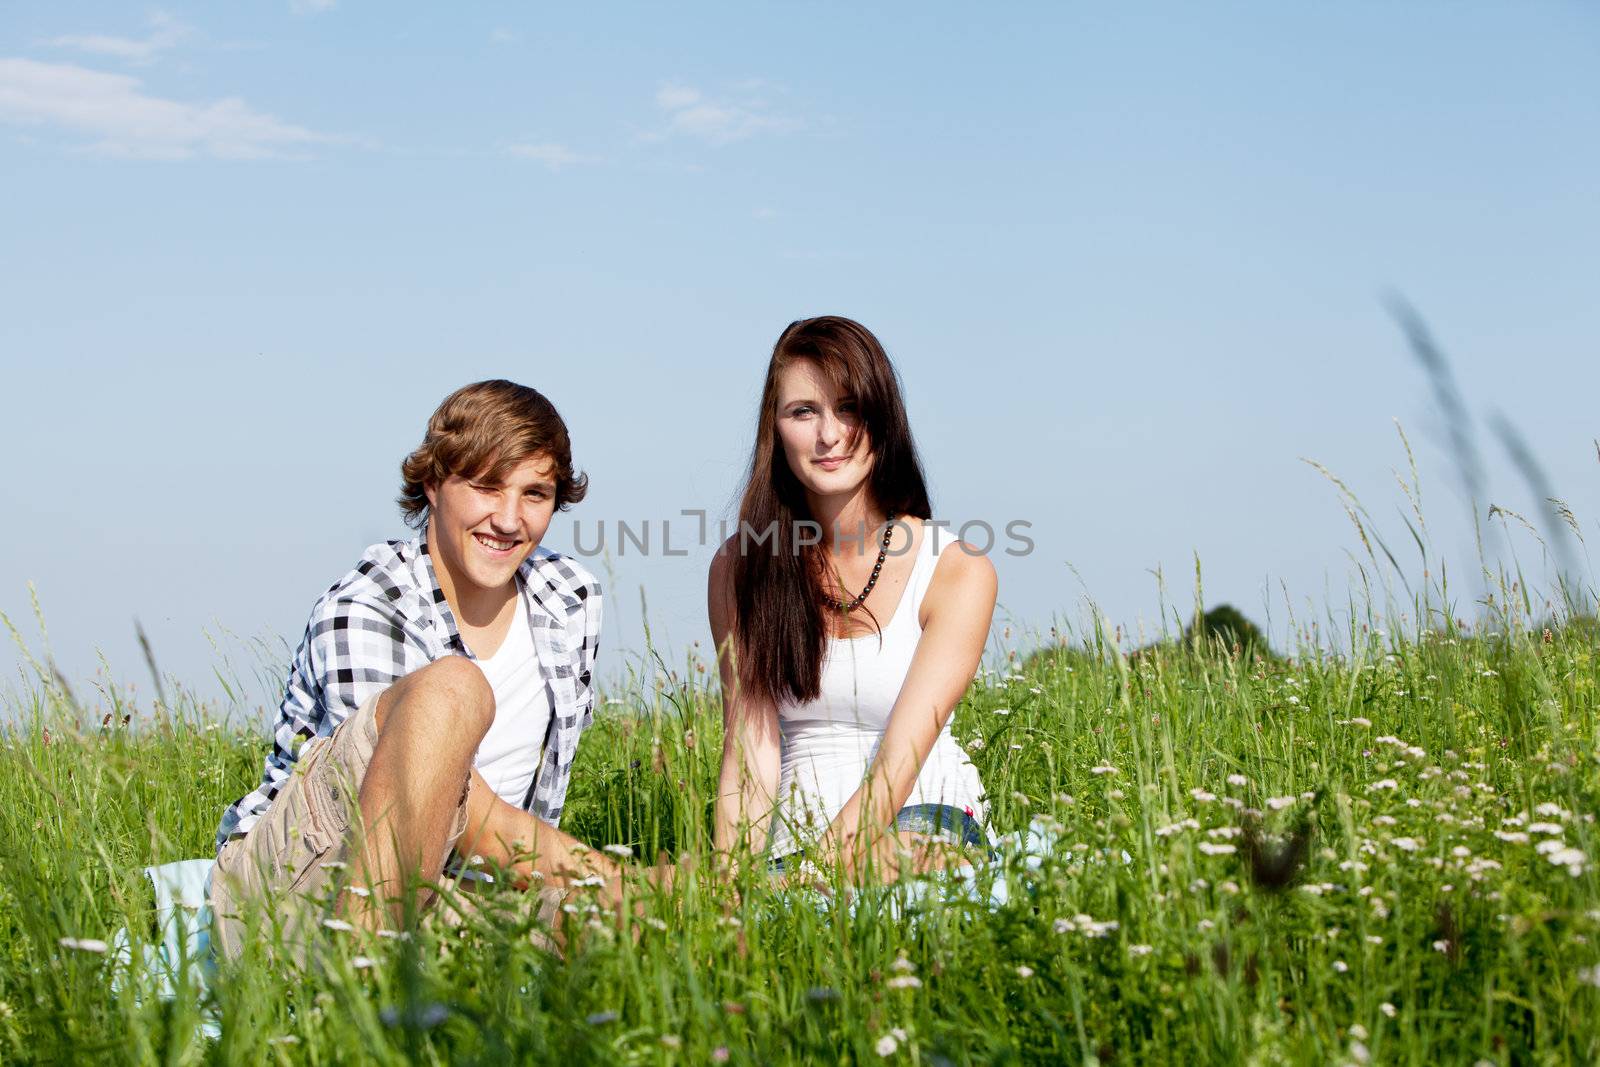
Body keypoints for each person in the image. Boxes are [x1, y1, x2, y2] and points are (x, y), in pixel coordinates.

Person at [210, 379, 620, 959]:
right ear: (432, 484)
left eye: (535, 494)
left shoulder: (571, 598)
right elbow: (451, 804)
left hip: (466, 890)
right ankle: (358, 1000)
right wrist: (613, 880)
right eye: (485, 486)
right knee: (453, 689)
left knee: (641, 936)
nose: (508, 519)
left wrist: (633, 898)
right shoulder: (367, 606)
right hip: (300, 885)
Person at [710, 316, 997, 881]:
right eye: (802, 412)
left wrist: (817, 870)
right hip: (791, 842)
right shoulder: (738, 569)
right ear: (775, 428)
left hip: (923, 822)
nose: (829, 435)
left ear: (881, 418)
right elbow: (750, 751)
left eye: (848, 408)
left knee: (905, 870)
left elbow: (901, 760)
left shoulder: (956, 570)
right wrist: (727, 886)